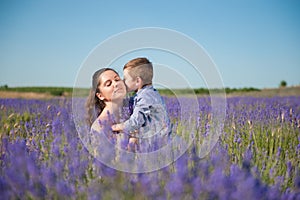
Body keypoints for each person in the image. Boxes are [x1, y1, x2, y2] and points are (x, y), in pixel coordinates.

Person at [111, 57, 171, 152]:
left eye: (125, 79)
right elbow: (130, 103)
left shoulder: (145, 97)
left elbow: (135, 123)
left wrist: (115, 127)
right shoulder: (146, 94)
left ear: (138, 81)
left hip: (155, 145)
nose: (123, 82)